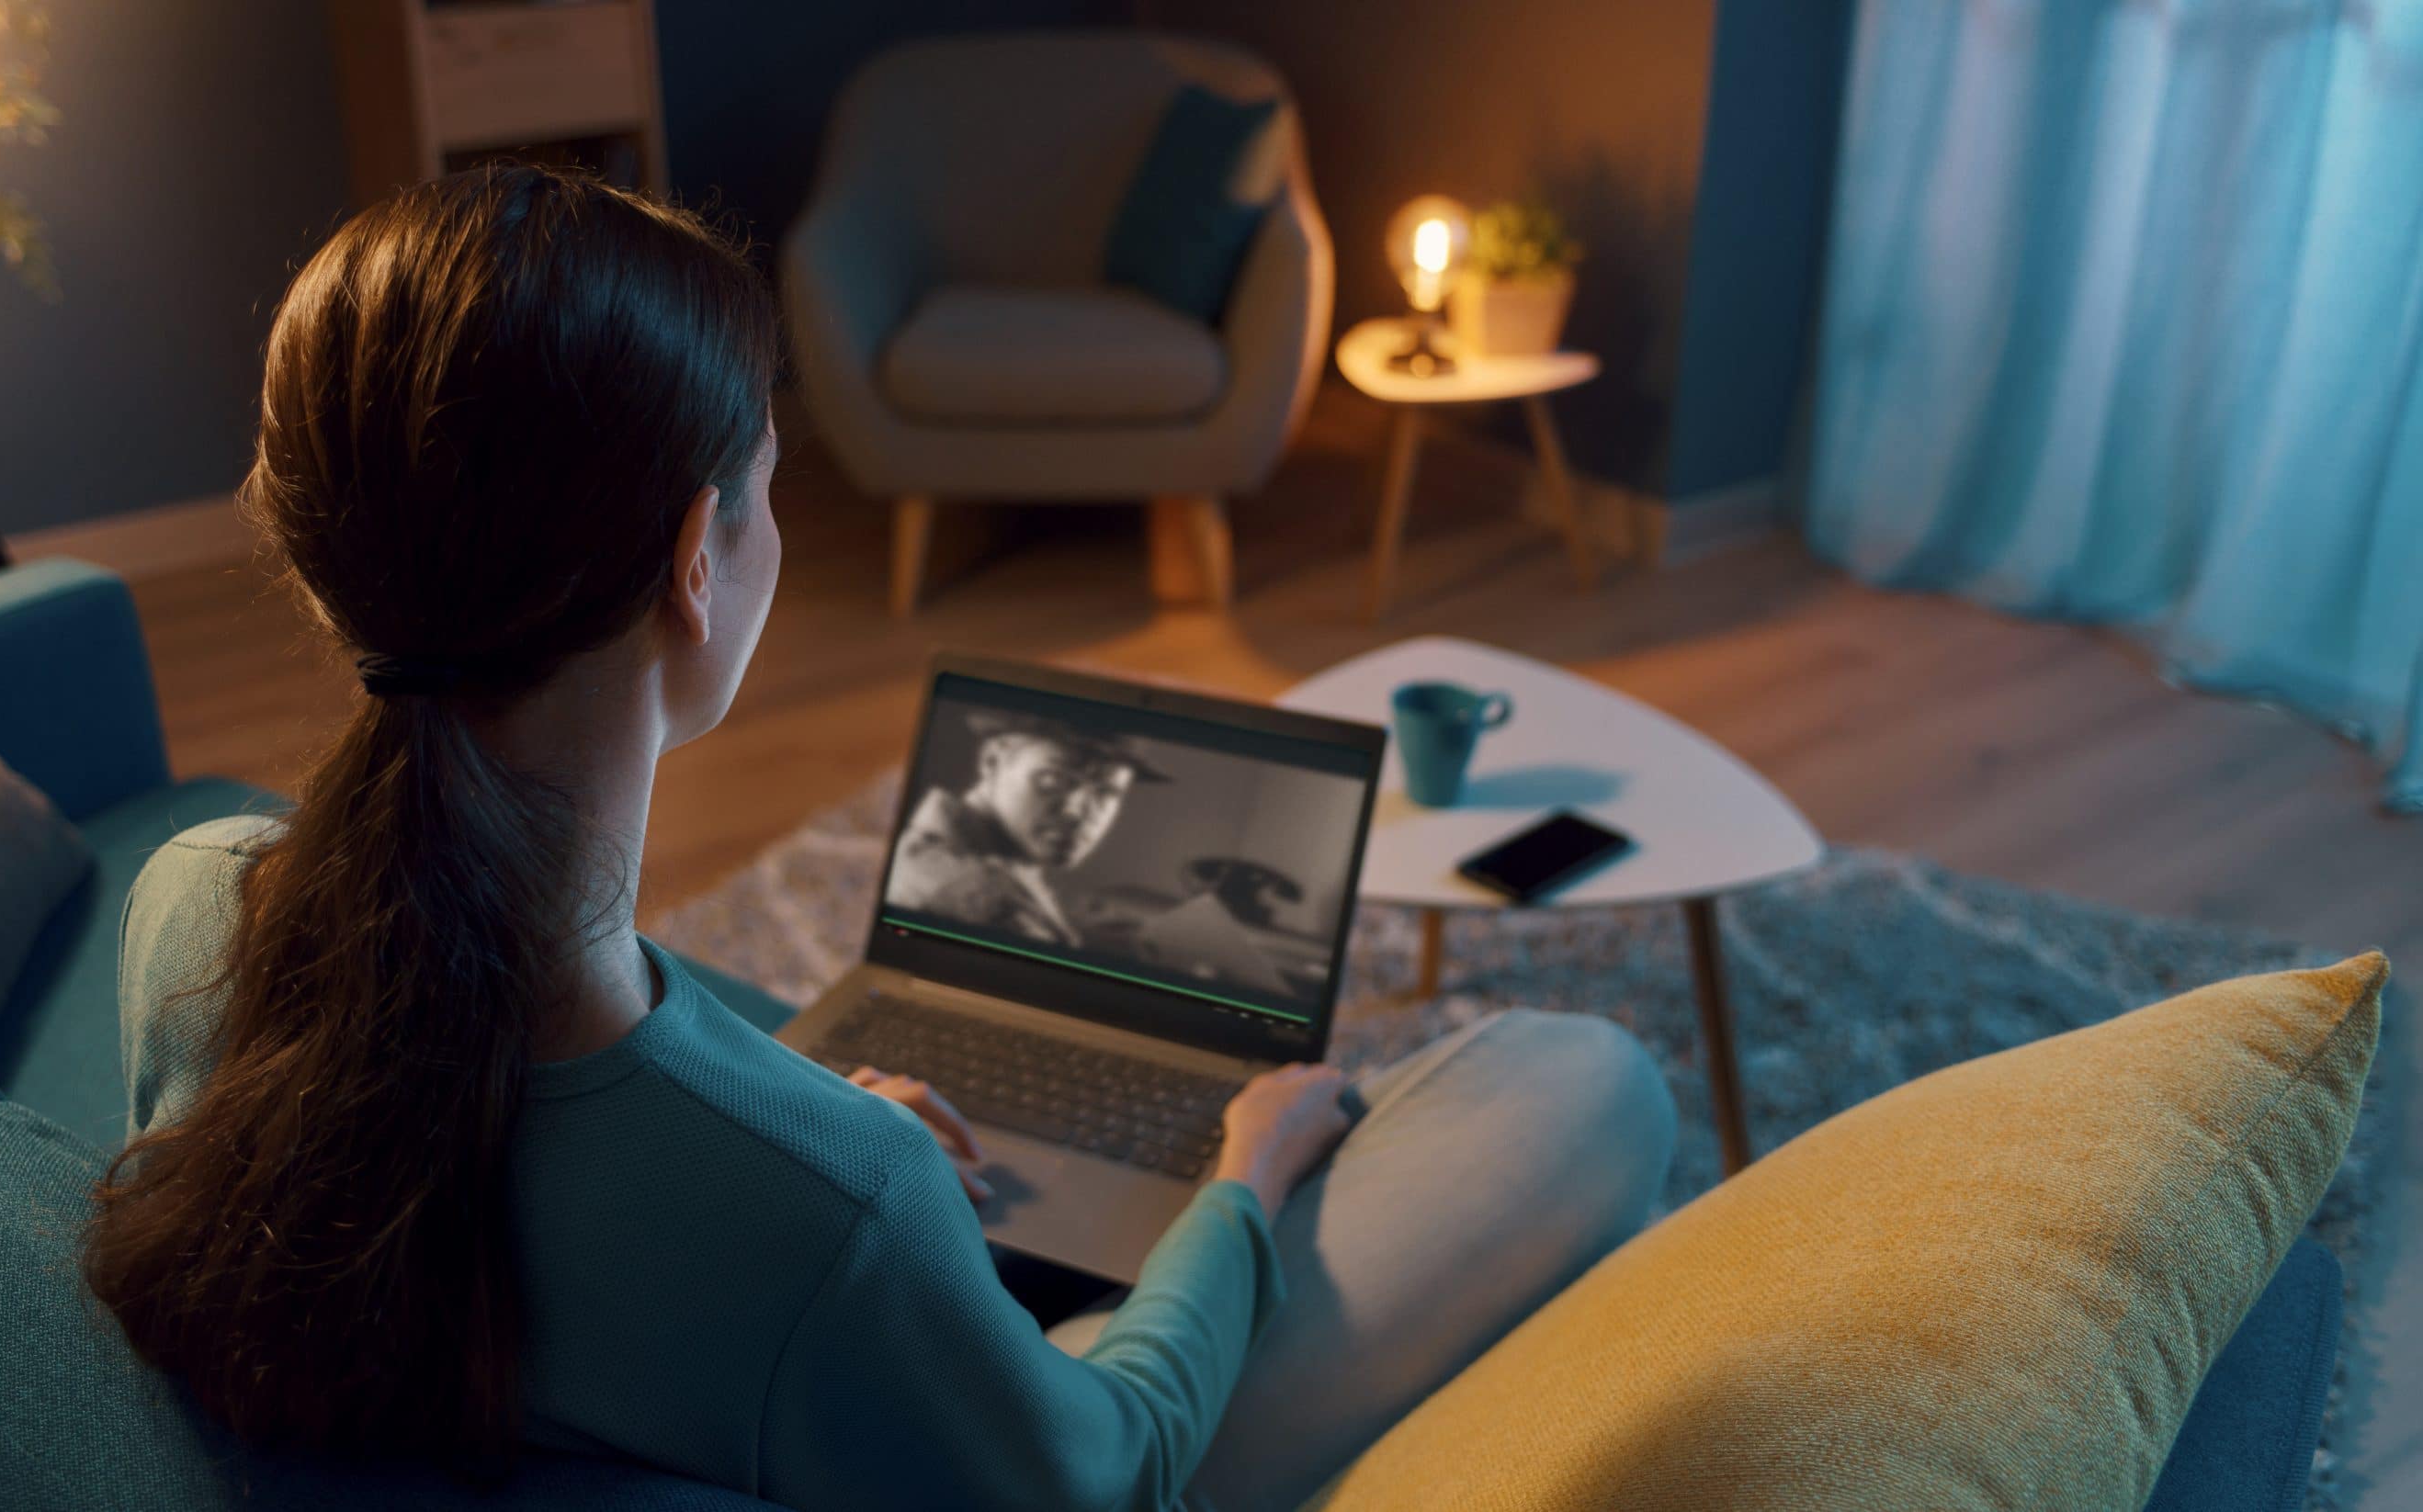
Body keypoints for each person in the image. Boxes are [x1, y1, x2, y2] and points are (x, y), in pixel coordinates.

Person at [83, 165, 1678, 1512]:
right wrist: (1248, 1179)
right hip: (988, 1421)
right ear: (700, 561)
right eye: (770, 489)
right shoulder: (834, 1208)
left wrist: (801, 1121)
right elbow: (1107, 1468)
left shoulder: (184, 906)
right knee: (1586, 1081)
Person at [885, 713, 1164, 945]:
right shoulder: (983, 897)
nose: (1076, 812)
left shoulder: (955, 854)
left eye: (1105, 792)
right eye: (1053, 779)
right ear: (992, 761)